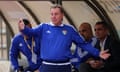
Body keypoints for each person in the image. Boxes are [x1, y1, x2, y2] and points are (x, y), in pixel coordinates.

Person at [18, 5, 110, 72]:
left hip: (64, 66)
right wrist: (23, 29)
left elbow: (83, 44)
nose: (53, 16)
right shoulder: (43, 27)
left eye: (56, 14)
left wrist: (98, 53)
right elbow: (31, 32)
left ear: (62, 15)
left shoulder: (69, 29)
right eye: (52, 14)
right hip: (47, 66)